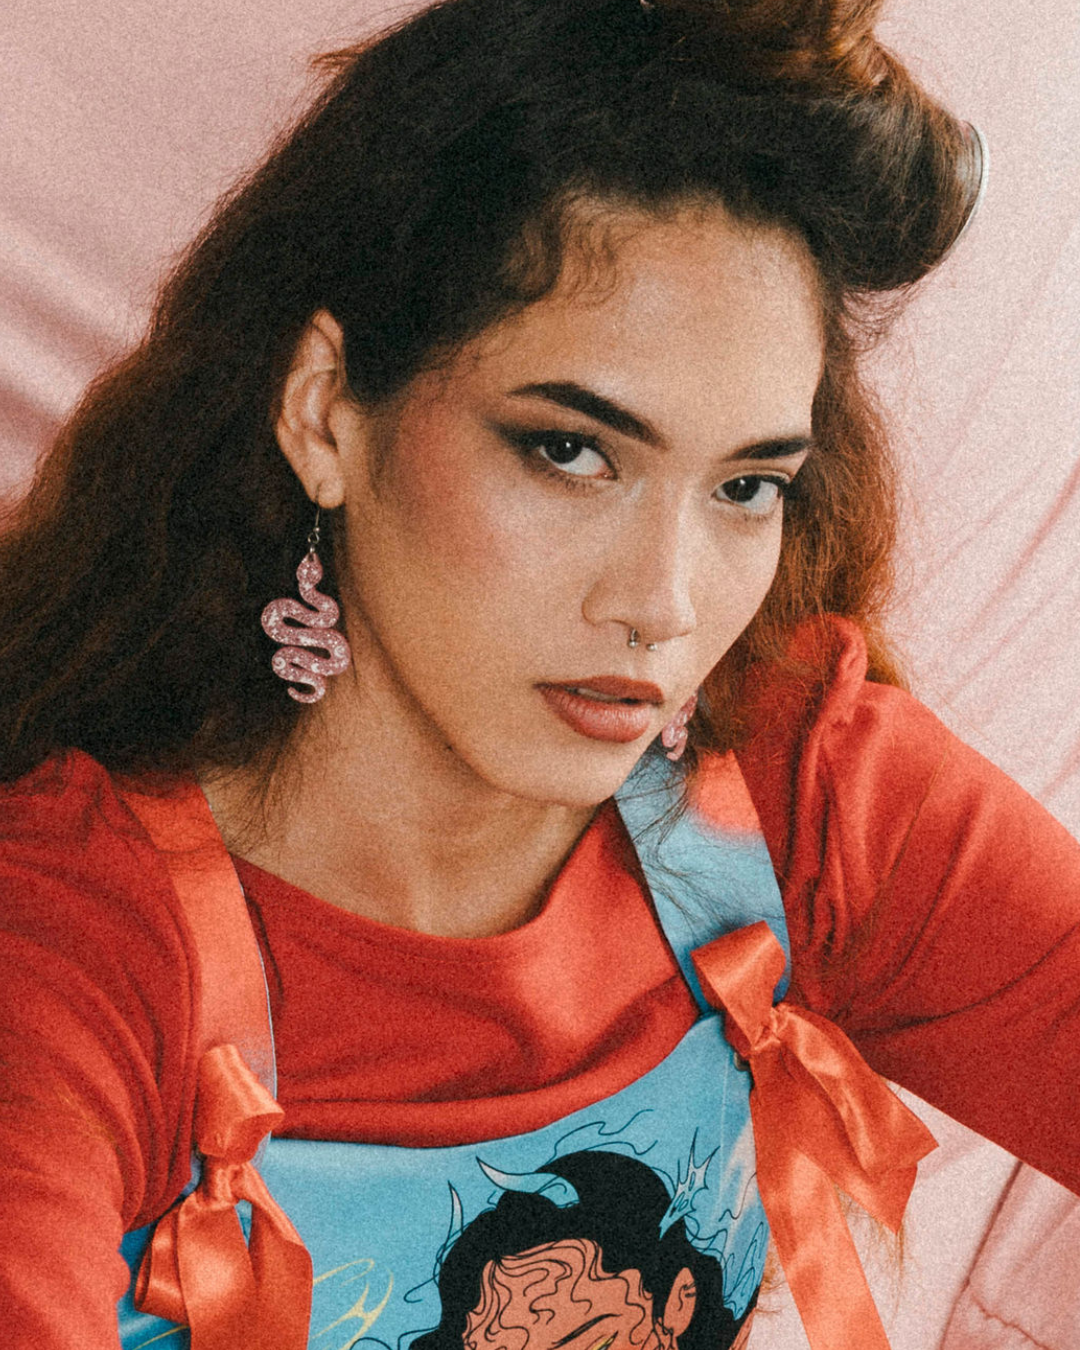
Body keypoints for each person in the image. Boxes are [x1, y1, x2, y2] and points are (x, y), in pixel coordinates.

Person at [0, 1, 1077, 1348]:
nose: (664, 604)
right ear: (325, 412)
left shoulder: (793, 787)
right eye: (570, 451)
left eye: (745, 485)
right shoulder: (70, 952)